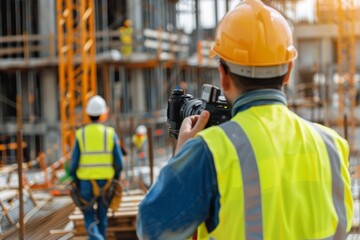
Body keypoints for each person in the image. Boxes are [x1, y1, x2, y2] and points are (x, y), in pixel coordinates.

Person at [136, 0, 353, 239]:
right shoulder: (332, 145)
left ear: (223, 76)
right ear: (289, 71)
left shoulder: (210, 152)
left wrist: (181, 157)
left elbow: (151, 228)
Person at [70, 95, 123, 240]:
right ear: (103, 113)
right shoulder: (110, 133)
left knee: (88, 215)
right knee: (102, 215)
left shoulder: (81, 134)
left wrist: (75, 180)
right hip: (106, 181)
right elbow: (119, 163)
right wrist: (115, 178)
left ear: (87, 114)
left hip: (86, 183)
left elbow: (73, 164)